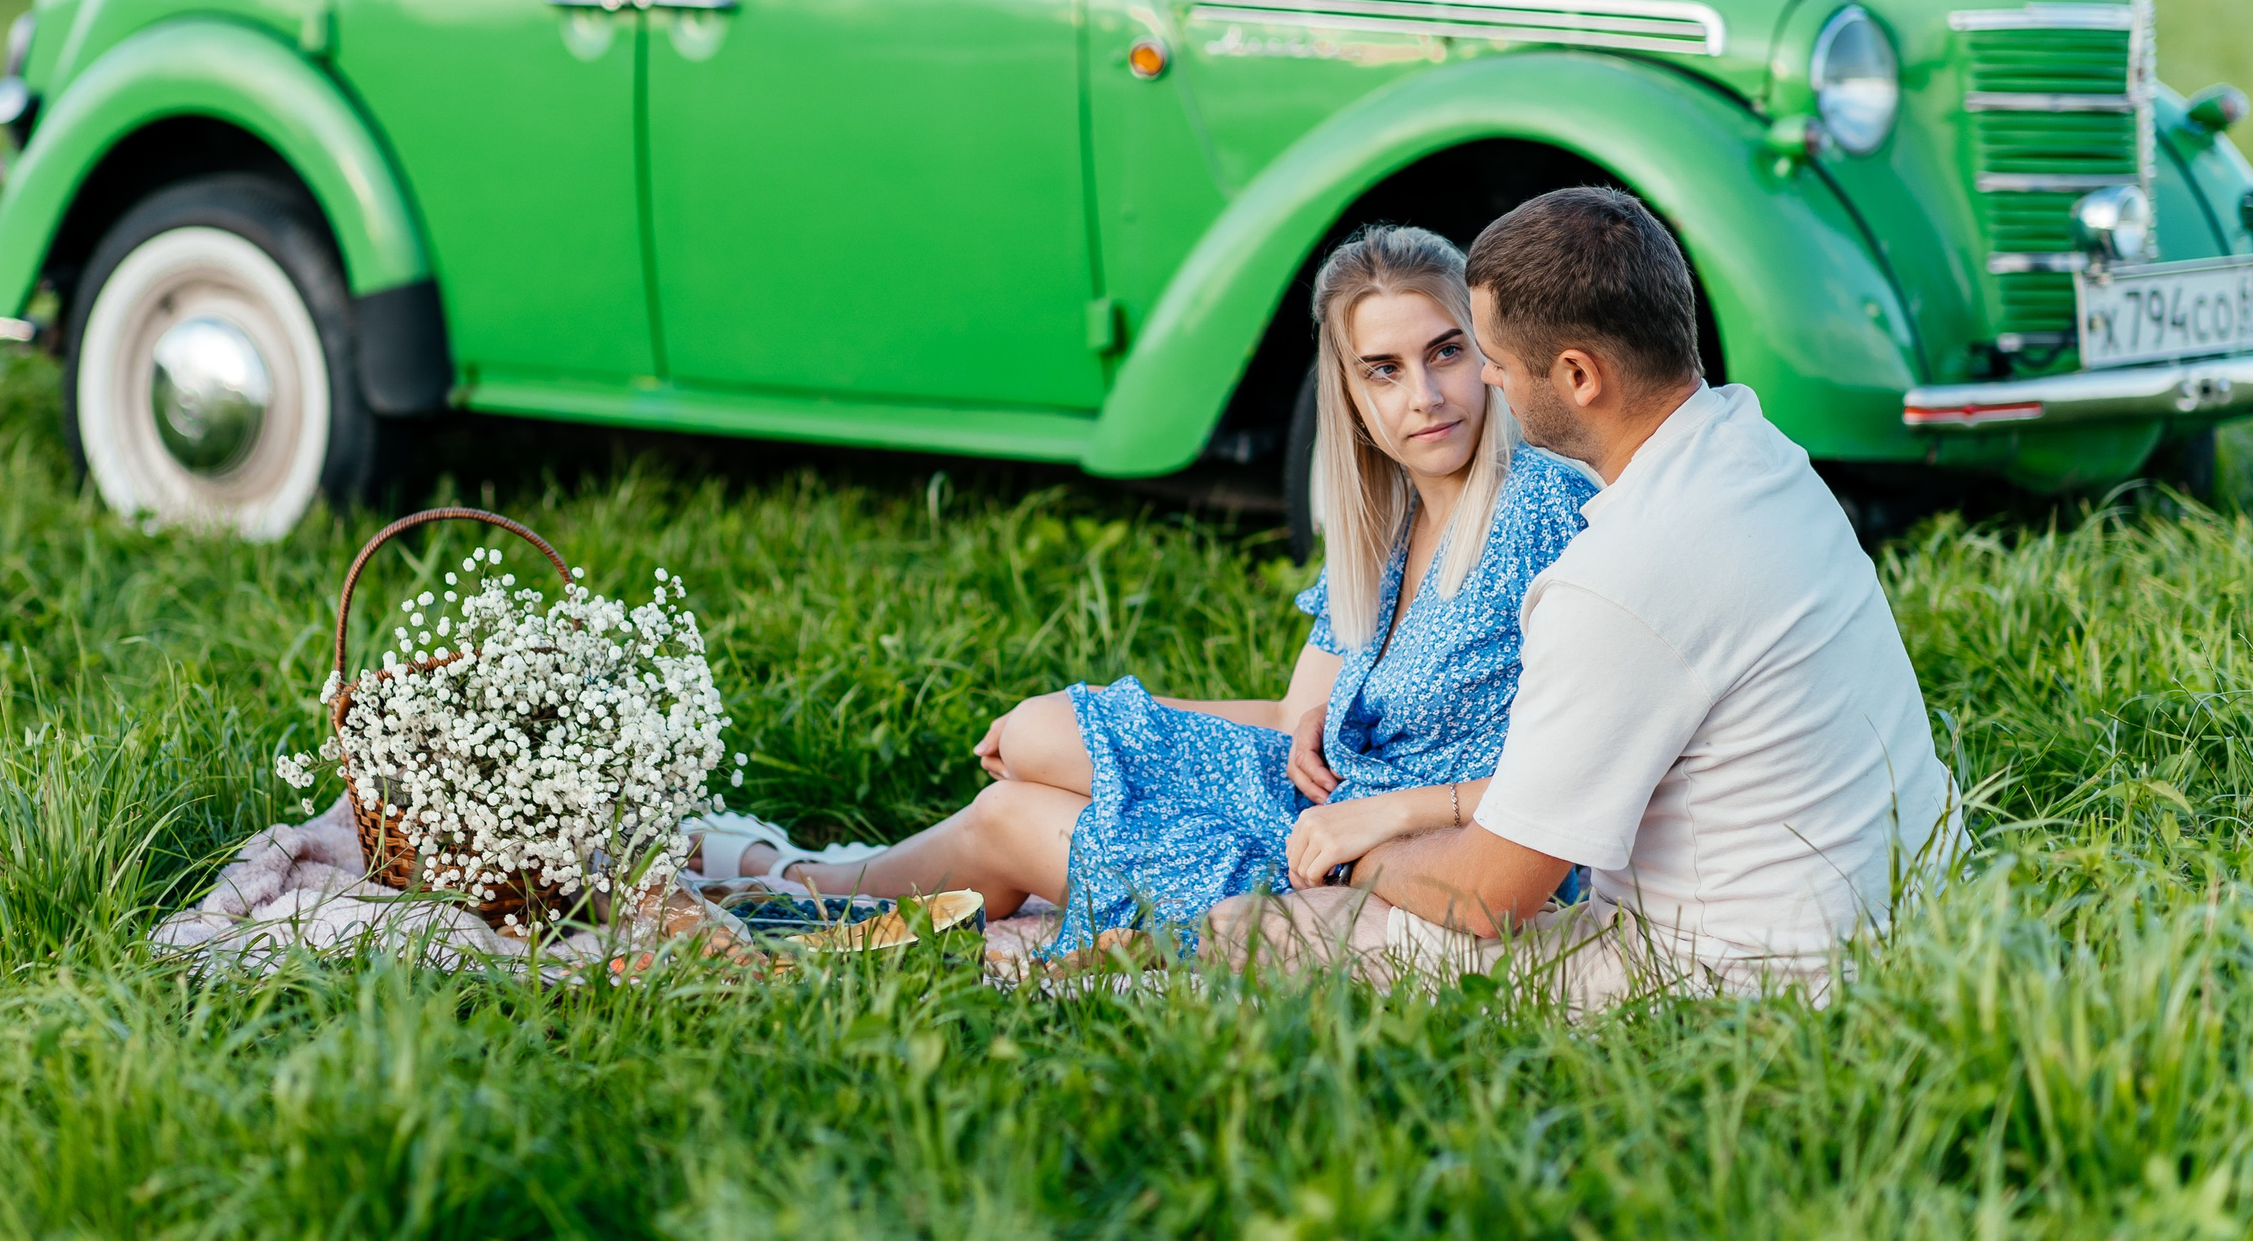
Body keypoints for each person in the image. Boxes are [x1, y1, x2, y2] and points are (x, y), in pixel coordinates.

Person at [682, 225, 1595, 947]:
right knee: (1049, 728)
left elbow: (1582, 757)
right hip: (1311, 803)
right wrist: (1136, 717)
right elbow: (1294, 725)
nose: (1424, 396)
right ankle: (824, 879)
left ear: (1487, 353)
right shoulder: (1384, 525)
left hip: (1381, 856)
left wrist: (1384, 815)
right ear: (1350, 394)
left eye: (1444, 352)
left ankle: (810, 888)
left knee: (1008, 815)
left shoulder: (1541, 508)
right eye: (1384, 371)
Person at [1211, 187, 1962, 1007]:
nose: (1486, 380)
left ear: (1577, 375)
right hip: (1902, 912)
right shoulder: (1758, 451)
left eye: (1489, 356)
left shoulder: (1614, 580)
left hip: (1738, 971)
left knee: (1273, 928)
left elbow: (1490, 895)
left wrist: (1358, 846)